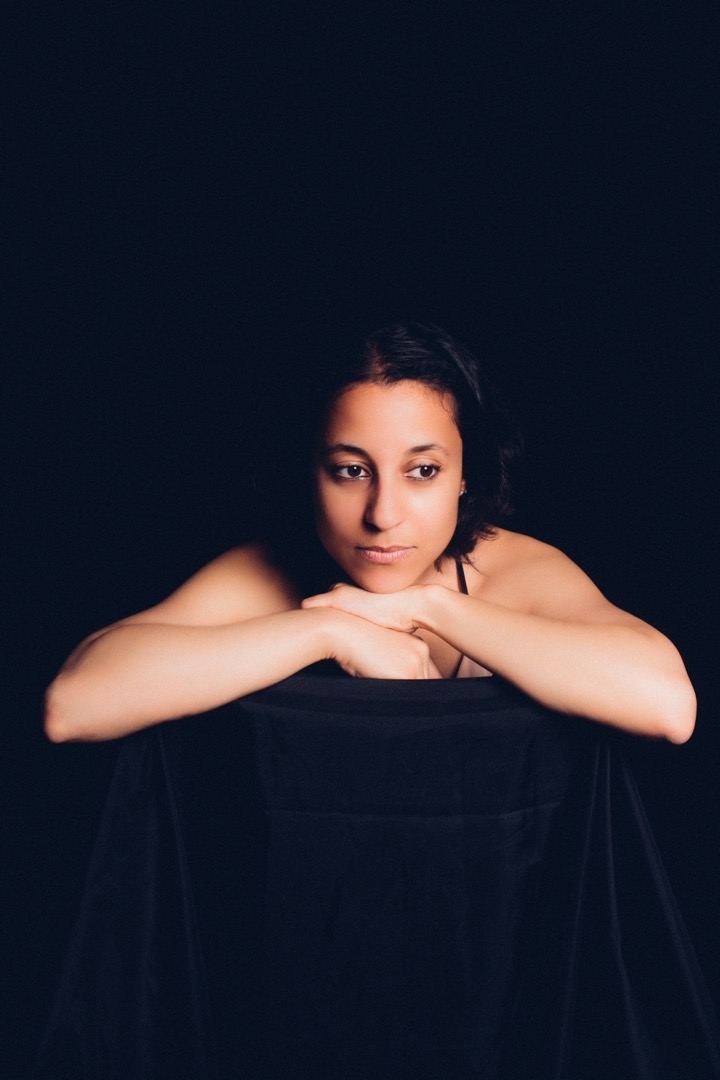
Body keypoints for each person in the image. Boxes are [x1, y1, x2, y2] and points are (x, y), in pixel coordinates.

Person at [43, 321, 696, 745]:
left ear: (465, 475)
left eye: (423, 471)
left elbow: (667, 704)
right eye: (351, 470)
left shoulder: (513, 570)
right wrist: (328, 630)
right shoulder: (270, 572)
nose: (383, 514)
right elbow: (74, 704)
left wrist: (427, 607)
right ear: (310, 472)